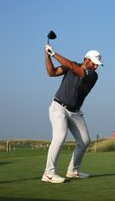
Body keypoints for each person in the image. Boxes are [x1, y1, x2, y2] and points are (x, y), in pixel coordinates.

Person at [41, 44, 103, 183]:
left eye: (97, 64)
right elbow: (51, 73)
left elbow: (71, 66)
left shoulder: (93, 75)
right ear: (86, 59)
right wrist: (47, 55)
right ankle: (48, 173)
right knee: (60, 136)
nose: (96, 67)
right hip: (58, 107)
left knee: (85, 141)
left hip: (75, 112)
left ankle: (73, 171)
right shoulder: (71, 65)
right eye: (94, 63)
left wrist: (53, 53)